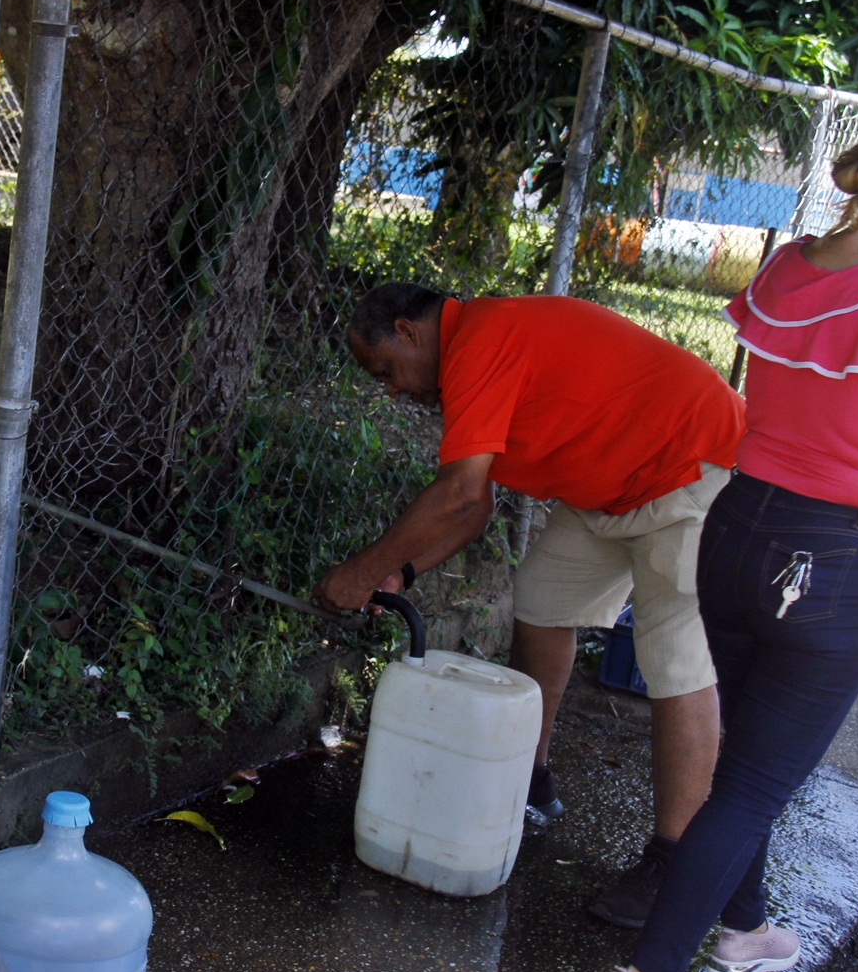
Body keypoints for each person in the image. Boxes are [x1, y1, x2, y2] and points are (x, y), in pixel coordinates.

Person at [600, 100, 858, 972]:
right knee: (754, 785)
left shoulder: (788, 268)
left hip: (737, 533)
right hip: (836, 561)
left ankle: (743, 933)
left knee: (746, 760)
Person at [314, 284, 746, 926]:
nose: (393, 391)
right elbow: (478, 501)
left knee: (676, 664)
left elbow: (459, 493)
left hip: (689, 469)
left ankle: (678, 864)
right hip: (607, 492)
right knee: (542, 602)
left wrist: (360, 572)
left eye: (386, 372)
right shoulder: (468, 355)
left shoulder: (486, 336)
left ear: (408, 332)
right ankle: (530, 782)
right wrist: (401, 572)